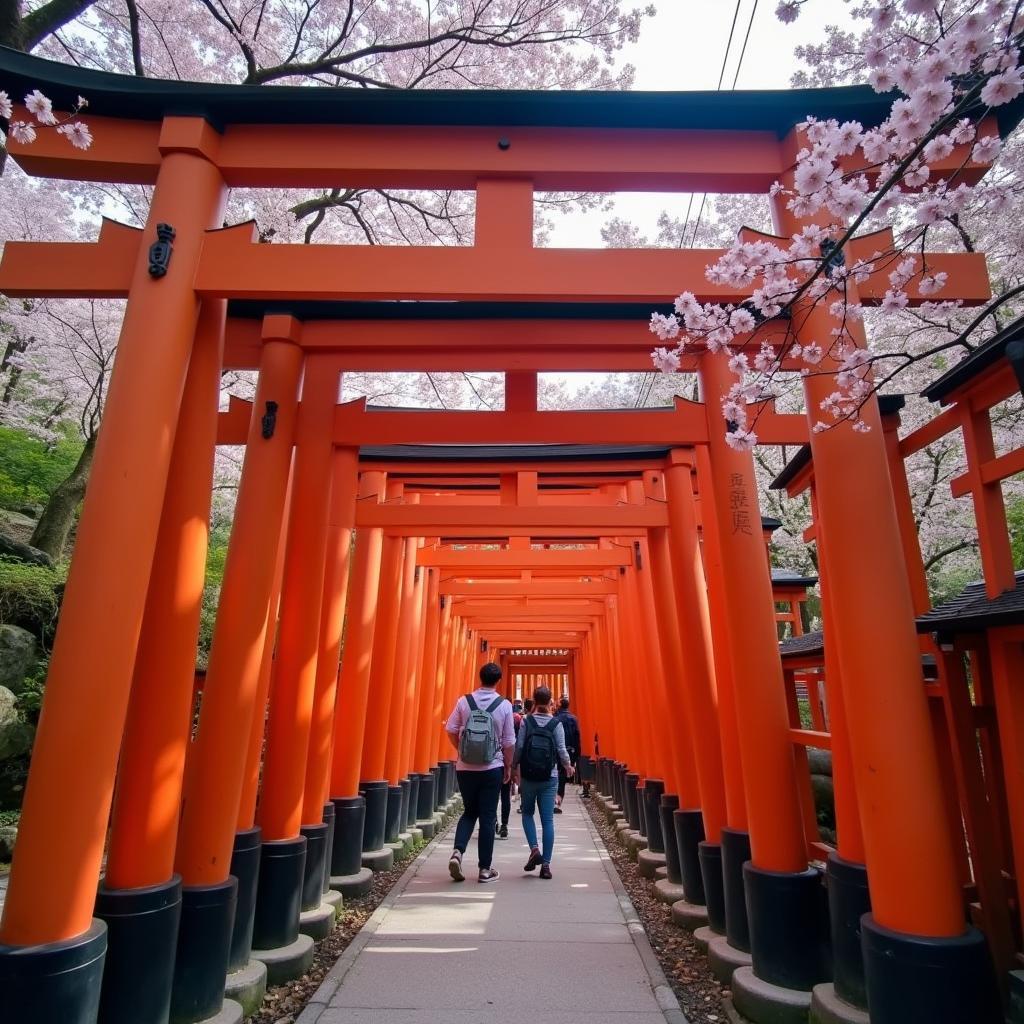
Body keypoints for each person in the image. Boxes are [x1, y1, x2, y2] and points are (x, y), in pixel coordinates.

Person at [445, 662, 515, 883]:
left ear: (480, 677)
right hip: (492, 767)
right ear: (498, 680)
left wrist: (462, 750)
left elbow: (450, 729)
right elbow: (509, 741)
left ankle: (458, 851)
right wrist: (509, 766)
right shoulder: (504, 705)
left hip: (465, 768)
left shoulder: (464, 701)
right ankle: (485, 869)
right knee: (487, 816)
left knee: (469, 812)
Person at [513, 685, 573, 879]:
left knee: (527, 813)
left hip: (529, 776)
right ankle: (546, 865)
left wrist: (513, 767)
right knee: (547, 820)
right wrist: (568, 766)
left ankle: (533, 848)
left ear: (534, 700)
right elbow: (562, 750)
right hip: (550, 777)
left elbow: (520, 746)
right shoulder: (556, 724)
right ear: (550, 701)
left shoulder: (526, 721)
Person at [496, 701, 524, 839]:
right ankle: (504, 825)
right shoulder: (517, 721)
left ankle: (493, 821)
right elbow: (512, 744)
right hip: (505, 760)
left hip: (492, 762)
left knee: (492, 796)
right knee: (505, 794)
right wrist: (511, 766)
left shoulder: (494, 720)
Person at [552, 696, 581, 813]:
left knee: (555, 773)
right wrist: (576, 755)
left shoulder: (555, 719)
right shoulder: (574, 719)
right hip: (570, 750)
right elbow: (577, 737)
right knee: (563, 776)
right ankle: (558, 802)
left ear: (560, 706)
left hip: (556, 751)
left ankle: (553, 799)